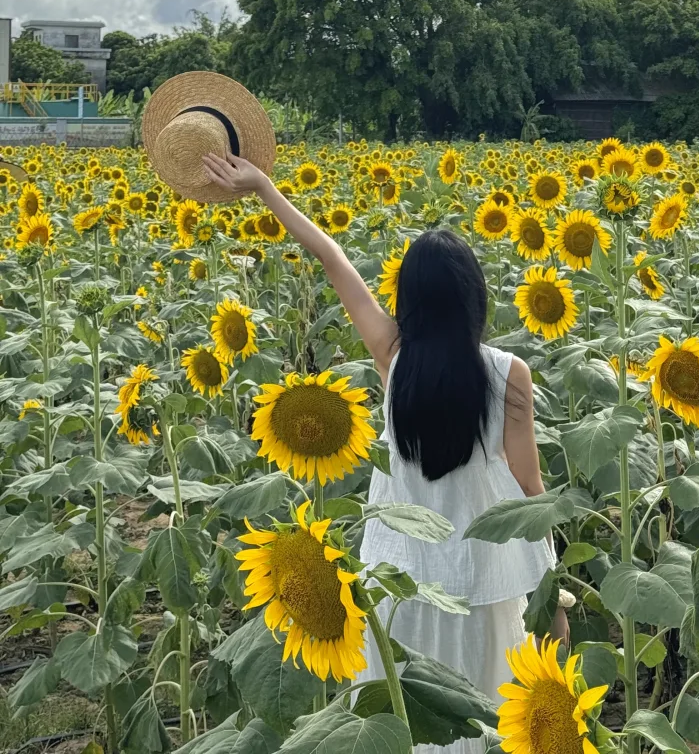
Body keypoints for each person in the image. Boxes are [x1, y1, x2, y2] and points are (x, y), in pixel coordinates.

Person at [201, 150, 563, 746]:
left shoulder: (394, 358)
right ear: (475, 297)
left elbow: (332, 257)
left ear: (409, 301)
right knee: (484, 717)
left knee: (403, 717)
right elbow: (530, 494)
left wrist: (264, 187)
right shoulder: (507, 374)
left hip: (401, 581)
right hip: (486, 579)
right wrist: (554, 598)